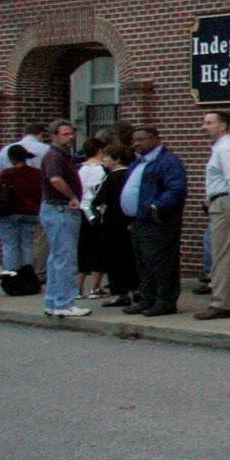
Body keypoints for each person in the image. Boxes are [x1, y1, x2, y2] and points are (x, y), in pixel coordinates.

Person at [121, 124, 189, 317]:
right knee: (144, 264)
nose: (137, 144)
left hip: (158, 221)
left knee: (161, 263)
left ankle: (165, 301)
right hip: (138, 220)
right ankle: (147, 299)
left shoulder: (167, 161)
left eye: (141, 139)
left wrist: (156, 206)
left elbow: (176, 189)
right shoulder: (139, 162)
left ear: (154, 139)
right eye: (135, 140)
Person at [196, 111, 230, 320]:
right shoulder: (229, 147)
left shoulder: (226, 148)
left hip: (226, 202)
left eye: (209, 123)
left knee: (223, 253)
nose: (204, 127)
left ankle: (221, 302)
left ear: (224, 126)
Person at [38, 121, 90, 317]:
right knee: (65, 258)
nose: (71, 137)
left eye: (71, 133)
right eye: (66, 134)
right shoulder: (54, 156)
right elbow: (55, 179)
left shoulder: (61, 156)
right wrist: (72, 197)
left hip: (55, 209)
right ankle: (64, 303)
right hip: (60, 209)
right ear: (54, 136)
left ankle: (53, 301)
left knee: (56, 257)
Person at [89, 141, 139, 307]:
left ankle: (120, 293)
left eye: (106, 158)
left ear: (116, 160)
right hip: (130, 220)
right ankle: (136, 289)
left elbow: (97, 199)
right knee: (131, 257)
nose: (104, 161)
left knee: (115, 259)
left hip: (113, 222)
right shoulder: (132, 175)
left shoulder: (112, 178)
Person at [0, 143, 43, 276]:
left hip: (9, 212)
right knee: (28, 245)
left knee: (10, 245)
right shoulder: (36, 173)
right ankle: (27, 274)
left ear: (11, 159)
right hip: (31, 212)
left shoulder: (7, 173)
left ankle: (11, 275)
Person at [76, 137, 112, 300]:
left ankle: (77, 287)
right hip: (98, 213)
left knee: (83, 250)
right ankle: (95, 288)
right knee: (100, 250)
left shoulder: (78, 168)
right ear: (100, 150)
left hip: (80, 212)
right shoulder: (104, 170)